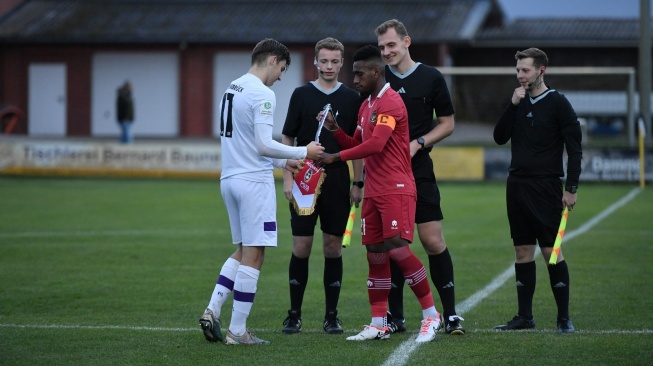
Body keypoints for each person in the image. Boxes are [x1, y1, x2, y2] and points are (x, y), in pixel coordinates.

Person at [198, 38, 324, 345]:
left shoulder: (232, 88)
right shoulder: (262, 94)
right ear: (271, 60)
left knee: (242, 250)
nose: (280, 76)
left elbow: (249, 143)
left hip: (229, 178)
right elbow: (263, 144)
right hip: (254, 183)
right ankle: (238, 332)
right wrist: (302, 152)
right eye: (282, 68)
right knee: (255, 253)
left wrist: (284, 162)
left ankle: (212, 310)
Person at [319, 45, 441, 343]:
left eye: (359, 73)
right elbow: (357, 141)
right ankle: (378, 323)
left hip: (396, 188)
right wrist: (336, 132)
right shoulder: (366, 105)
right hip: (374, 191)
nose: (354, 79)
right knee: (375, 254)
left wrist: (336, 158)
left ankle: (431, 315)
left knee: (398, 248)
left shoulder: (391, 103)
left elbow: (376, 145)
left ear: (376, 72)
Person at [375, 19, 465, 335]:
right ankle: (396, 318)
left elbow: (448, 123)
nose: (386, 52)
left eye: (391, 45)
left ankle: (451, 315)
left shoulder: (430, 77)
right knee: (394, 242)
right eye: (382, 47)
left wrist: (419, 143)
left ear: (406, 42)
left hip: (419, 170)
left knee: (431, 239)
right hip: (385, 174)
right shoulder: (377, 79)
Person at [493, 47, 582, 334]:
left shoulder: (558, 103)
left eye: (525, 70)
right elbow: (499, 137)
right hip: (516, 185)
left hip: (546, 187)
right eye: (518, 70)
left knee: (550, 251)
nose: (520, 75)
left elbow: (575, 149)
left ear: (541, 70)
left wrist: (571, 188)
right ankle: (524, 316)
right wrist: (511, 105)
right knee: (522, 251)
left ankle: (563, 318)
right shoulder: (517, 102)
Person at [280, 37, 363, 335]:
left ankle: (331, 316)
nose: (329, 66)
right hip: (304, 177)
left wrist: (358, 183)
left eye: (334, 61)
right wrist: (288, 177)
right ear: (315, 62)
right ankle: (293, 315)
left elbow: (357, 145)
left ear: (342, 63)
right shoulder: (301, 95)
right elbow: (288, 139)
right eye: (323, 61)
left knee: (332, 248)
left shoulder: (352, 99)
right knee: (301, 247)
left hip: (338, 179)